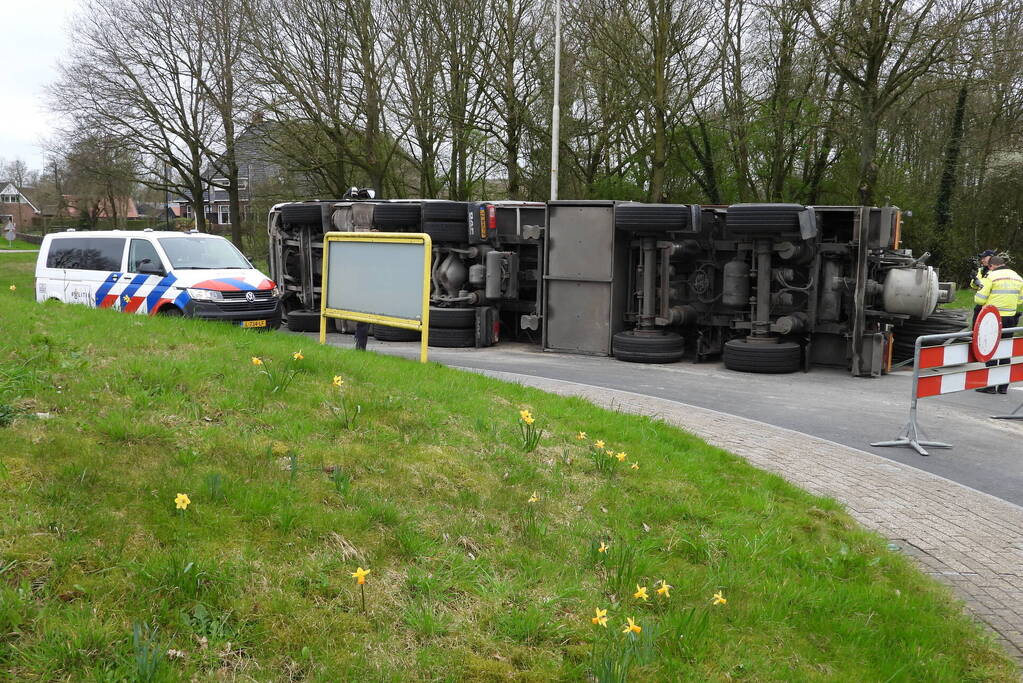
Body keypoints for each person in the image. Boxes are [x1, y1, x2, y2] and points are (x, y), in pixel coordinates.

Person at [974, 255, 1022, 394]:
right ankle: (1003, 386)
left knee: (991, 350)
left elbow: (980, 299)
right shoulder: (1017, 277)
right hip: (1010, 318)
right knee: (1005, 350)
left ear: (992, 266)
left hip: (993, 318)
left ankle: (990, 386)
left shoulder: (991, 276)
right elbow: (1020, 300)